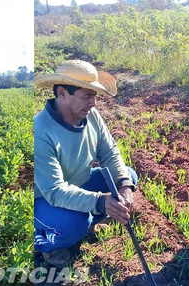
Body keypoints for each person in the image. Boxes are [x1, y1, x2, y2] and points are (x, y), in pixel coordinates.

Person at [33, 60, 138, 267]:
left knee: (127, 175)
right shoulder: (41, 133)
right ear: (62, 93)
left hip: (78, 183)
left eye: (94, 95)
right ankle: (47, 245)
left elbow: (109, 152)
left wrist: (124, 187)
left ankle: (86, 224)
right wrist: (101, 202)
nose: (94, 103)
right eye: (87, 96)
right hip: (44, 200)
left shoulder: (91, 116)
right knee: (75, 223)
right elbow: (55, 191)